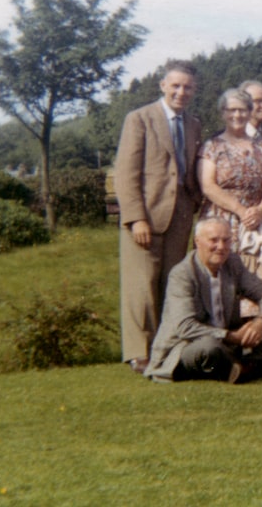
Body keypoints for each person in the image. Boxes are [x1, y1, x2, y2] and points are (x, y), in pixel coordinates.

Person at [115, 60, 203, 374]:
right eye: (175, 85)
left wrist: (195, 203)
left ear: (194, 90)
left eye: (187, 87)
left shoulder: (193, 124)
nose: (181, 92)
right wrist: (136, 218)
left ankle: (165, 346)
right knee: (142, 285)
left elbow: (191, 170)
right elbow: (125, 174)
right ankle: (139, 353)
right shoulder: (139, 119)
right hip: (147, 215)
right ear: (163, 85)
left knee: (171, 282)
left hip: (180, 214)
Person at [145, 218, 262, 383]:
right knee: (209, 348)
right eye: (213, 240)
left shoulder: (232, 263)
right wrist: (230, 336)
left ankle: (258, 365)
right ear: (197, 241)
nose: (221, 247)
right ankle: (240, 370)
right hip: (187, 345)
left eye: (226, 240)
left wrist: (261, 322)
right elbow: (186, 327)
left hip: (227, 341)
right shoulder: (182, 275)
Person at [198, 89, 262, 268]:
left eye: (242, 110)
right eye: (231, 110)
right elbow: (208, 186)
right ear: (223, 113)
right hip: (221, 220)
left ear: (250, 112)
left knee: (258, 276)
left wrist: (260, 210)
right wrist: (241, 211)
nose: (237, 114)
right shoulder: (212, 146)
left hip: (256, 221)